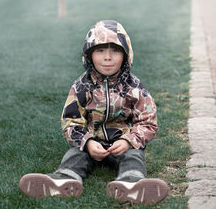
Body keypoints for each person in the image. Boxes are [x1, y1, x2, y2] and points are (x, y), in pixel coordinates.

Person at [19, 20, 169, 205]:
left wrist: (128, 141)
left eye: (115, 51)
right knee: (75, 155)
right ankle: (64, 179)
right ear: (89, 55)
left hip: (122, 144)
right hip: (91, 144)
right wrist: (87, 142)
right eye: (100, 51)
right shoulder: (82, 86)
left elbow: (148, 121)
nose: (108, 57)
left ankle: (131, 183)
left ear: (126, 54)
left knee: (134, 157)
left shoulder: (134, 86)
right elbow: (70, 121)